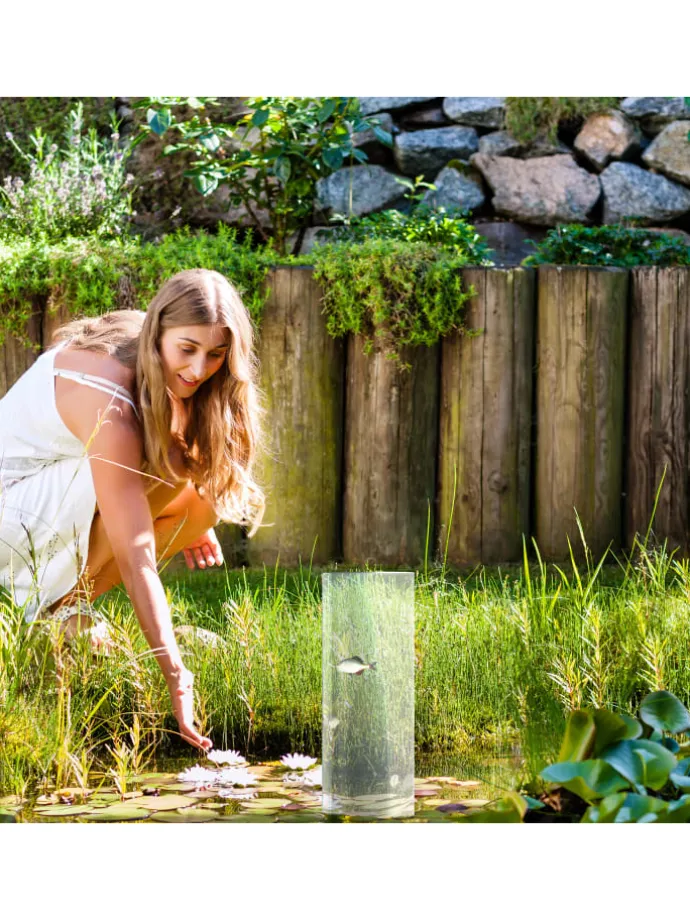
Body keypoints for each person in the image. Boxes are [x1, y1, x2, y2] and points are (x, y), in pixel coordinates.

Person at [0, 268, 266, 751]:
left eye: (216, 354)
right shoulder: (112, 409)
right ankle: (40, 619)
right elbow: (136, 555)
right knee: (164, 462)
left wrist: (184, 508)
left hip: (34, 504)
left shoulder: (145, 342)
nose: (199, 368)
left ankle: (54, 615)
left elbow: (181, 463)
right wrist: (175, 673)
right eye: (187, 349)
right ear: (158, 329)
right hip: (7, 508)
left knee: (204, 499)